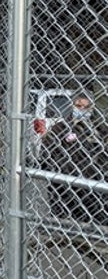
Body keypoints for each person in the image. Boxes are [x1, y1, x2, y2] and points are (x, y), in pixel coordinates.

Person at [41, 94, 108, 224]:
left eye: (86, 107)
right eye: (78, 106)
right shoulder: (60, 128)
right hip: (69, 187)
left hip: (96, 186)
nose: (82, 109)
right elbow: (48, 155)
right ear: (72, 106)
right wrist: (70, 171)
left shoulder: (99, 128)